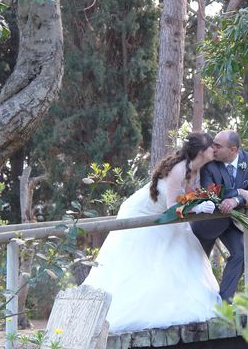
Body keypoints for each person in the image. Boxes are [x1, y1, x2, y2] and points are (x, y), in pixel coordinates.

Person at [82, 132, 220, 332]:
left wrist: (202, 201)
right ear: (200, 151)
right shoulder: (178, 169)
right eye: (211, 147)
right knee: (139, 262)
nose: (214, 150)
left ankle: (175, 303)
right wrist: (197, 208)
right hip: (144, 213)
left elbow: (187, 199)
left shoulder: (197, 170)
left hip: (167, 217)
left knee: (181, 254)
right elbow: (173, 206)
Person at [191, 130, 248, 302]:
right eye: (213, 143)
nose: (212, 148)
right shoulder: (209, 162)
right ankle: (192, 301)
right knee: (196, 263)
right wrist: (239, 192)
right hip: (208, 222)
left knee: (241, 254)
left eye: (217, 145)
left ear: (233, 150)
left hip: (231, 221)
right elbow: (209, 191)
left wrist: (236, 200)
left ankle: (224, 303)